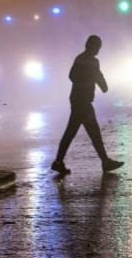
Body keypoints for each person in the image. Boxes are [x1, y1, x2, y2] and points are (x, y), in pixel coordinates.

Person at [51, 35, 123, 174]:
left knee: (71, 133)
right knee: (93, 132)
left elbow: (71, 76)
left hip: (76, 99)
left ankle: (58, 162)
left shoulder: (79, 58)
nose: (98, 50)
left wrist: (83, 81)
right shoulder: (93, 62)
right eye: (98, 47)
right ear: (94, 47)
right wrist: (102, 85)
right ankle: (105, 162)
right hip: (83, 102)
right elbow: (100, 79)